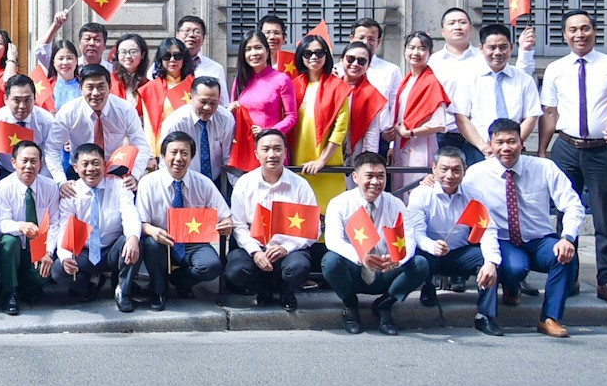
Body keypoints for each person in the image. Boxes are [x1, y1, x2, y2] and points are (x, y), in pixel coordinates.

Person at [538, 8, 607, 310]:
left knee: (605, 217)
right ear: (564, 35)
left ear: (594, 31)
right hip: (566, 148)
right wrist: (543, 151)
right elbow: (549, 113)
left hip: (600, 151)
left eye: (585, 29)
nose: (579, 35)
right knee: (566, 215)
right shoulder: (556, 68)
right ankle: (569, 276)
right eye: (573, 30)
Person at [465, 117, 587, 337]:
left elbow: (572, 204)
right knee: (515, 268)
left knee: (566, 256)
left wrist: (567, 237)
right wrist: (431, 182)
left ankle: (550, 318)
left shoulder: (544, 167)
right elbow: (457, 198)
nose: (505, 148)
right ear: (490, 145)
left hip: (539, 239)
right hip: (503, 240)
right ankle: (511, 286)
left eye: (511, 141)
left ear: (521, 142)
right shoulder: (477, 173)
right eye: (499, 142)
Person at [320, 152, 428, 335]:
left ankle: (384, 306)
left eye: (381, 176)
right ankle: (350, 306)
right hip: (354, 270)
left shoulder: (396, 204)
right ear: (355, 177)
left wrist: (398, 259)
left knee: (420, 264)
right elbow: (333, 241)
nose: (375, 182)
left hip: (386, 268)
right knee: (330, 261)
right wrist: (361, 257)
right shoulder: (339, 203)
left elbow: (408, 238)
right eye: (369, 176)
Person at [404, 147, 501, 333]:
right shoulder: (421, 194)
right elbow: (416, 232)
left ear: (465, 169)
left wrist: (491, 262)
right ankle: (427, 285)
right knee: (419, 258)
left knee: (489, 259)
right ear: (433, 169)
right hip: (430, 252)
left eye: (456, 170)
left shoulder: (474, 195)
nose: (450, 175)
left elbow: (488, 229)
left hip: (459, 253)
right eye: (444, 169)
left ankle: (484, 315)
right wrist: (432, 246)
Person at [133, 131, 232, 310]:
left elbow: (225, 215)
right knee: (151, 244)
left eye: (184, 153)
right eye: (174, 152)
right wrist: (153, 231)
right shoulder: (148, 183)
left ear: (191, 156)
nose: (179, 158)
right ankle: (158, 290)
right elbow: (140, 222)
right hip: (162, 239)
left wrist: (226, 224)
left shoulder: (203, 183)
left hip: (192, 241)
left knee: (211, 266)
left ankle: (180, 281)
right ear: (163, 156)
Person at [223, 129, 318, 312]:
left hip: (288, 248)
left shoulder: (300, 185)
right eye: (266, 149)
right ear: (256, 154)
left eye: (277, 149)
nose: (272, 154)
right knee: (236, 270)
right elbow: (239, 225)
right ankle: (263, 289)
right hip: (255, 246)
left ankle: (287, 291)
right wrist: (255, 252)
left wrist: (286, 247)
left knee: (298, 267)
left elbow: (313, 229)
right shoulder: (245, 183)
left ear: (285, 153)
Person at [57, 143, 141, 312]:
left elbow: (129, 213)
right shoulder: (71, 192)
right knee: (58, 270)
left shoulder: (119, 185)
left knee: (133, 241)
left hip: (112, 249)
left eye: (96, 163)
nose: (91, 169)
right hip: (85, 252)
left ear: (105, 164)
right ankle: (91, 282)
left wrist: (133, 238)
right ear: (75, 167)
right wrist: (65, 257)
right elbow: (64, 228)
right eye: (85, 164)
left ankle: (122, 290)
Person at [452, 24, 543, 161]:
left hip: (514, 152)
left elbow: (531, 117)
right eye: (492, 47)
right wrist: (484, 147)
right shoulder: (467, 78)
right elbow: (461, 118)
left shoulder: (524, 79)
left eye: (503, 47)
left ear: (511, 47)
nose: (498, 52)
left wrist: (512, 144)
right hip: (478, 150)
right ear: (481, 48)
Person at [0, 139, 60, 314]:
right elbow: (1, 222)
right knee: (9, 241)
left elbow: (55, 223)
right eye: (24, 160)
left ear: (41, 164)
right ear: (14, 163)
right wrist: (20, 226)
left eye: (34, 161)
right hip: (14, 248)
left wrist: (48, 252)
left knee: (44, 274)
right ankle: (9, 293)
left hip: (39, 247)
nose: (29, 166)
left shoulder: (50, 187)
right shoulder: (3, 187)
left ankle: (23, 285)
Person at [59, 64, 152, 186]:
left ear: (109, 87)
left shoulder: (125, 109)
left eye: (101, 87)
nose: (96, 93)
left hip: (116, 171)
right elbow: (52, 147)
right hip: (80, 172)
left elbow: (141, 145)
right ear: (81, 88)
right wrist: (60, 181)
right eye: (90, 87)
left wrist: (135, 174)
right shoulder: (68, 111)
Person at [289, 34, 351, 207]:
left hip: (327, 166)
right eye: (308, 53)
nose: (314, 57)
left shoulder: (338, 86)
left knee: (329, 216)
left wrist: (322, 161)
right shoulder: (293, 85)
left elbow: (340, 128)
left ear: (326, 55)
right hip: (298, 164)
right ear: (301, 56)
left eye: (319, 52)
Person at [229, 29, 298, 172]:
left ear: (267, 51)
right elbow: (232, 118)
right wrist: (230, 110)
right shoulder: (240, 81)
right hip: (244, 149)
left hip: (271, 149)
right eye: (248, 49)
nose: (253, 53)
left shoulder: (282, 79)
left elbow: (292, 116)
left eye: (258, 47)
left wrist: (269, 132)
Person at [389, 30, 450, 190]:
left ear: (430, 53)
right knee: (400, 188)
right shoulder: (407, 80)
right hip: (401, 144)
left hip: (420, 145)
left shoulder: (431, 82)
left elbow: (439, 124)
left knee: (416, 188)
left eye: (422, 48)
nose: (416, 52)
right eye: (411, 47)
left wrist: (410, 133)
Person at [0, 74, 71, 187]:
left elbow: (50, 154)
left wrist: (41, 180)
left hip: (36, 173)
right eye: (16, 100)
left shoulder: (46, 121)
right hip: (4, 171)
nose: (22, 106)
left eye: (27, 100)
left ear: (35, 98)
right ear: (6, 99)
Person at [161, 77, 236, 192]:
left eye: (213, 103)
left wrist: (238, 187)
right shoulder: (175, 122)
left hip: (214, 181)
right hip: (183, 180)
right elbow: (166, 160)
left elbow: (228, 158)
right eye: (203, 102)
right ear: (191, 98)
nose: (208, 108)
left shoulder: (225, 119)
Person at [431, 7, 483, 164]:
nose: (457, 27)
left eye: (462, 22)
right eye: (451, 23)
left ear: (471, 28)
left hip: (477, 136)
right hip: (443, 134)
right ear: (442, 31)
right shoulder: (433, 61)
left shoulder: (482, 59)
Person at [338, 41, 394, 160]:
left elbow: (372, 133)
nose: (355, 64)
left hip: (357, 152)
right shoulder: (331, 87)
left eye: (361, 61)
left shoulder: (372, 94)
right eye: (350, 59)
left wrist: (367, 161)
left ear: (368, 65)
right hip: (330, 152)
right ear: (342, 60)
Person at [138, 38, 194, 132]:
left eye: (178, 56)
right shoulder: (149, 89)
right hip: (161, 141)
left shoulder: (195, 86)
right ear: (160, 59)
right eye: (167, 56)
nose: (172, 60)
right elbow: (147, 126)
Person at [349, 18, 402, 99]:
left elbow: (395, 106)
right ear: (351, 39)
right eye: (361, 38)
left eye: (371, 39)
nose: (365, 42)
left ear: (378, 42)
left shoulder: (392, 71)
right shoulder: (338, 70)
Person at [175, 14, 226, 84]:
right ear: (177, 36)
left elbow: (222, 95)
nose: (191, 35)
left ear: (203, 39)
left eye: (197, 32)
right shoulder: (163, 65)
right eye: (187, 30)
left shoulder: (215, 68)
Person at [43, 40, 81, 113]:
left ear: (76, 60)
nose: (65, 62)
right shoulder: (46, 87)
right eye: (60, 59)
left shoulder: (85, 85)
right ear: (53, 61)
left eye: (69, 58)